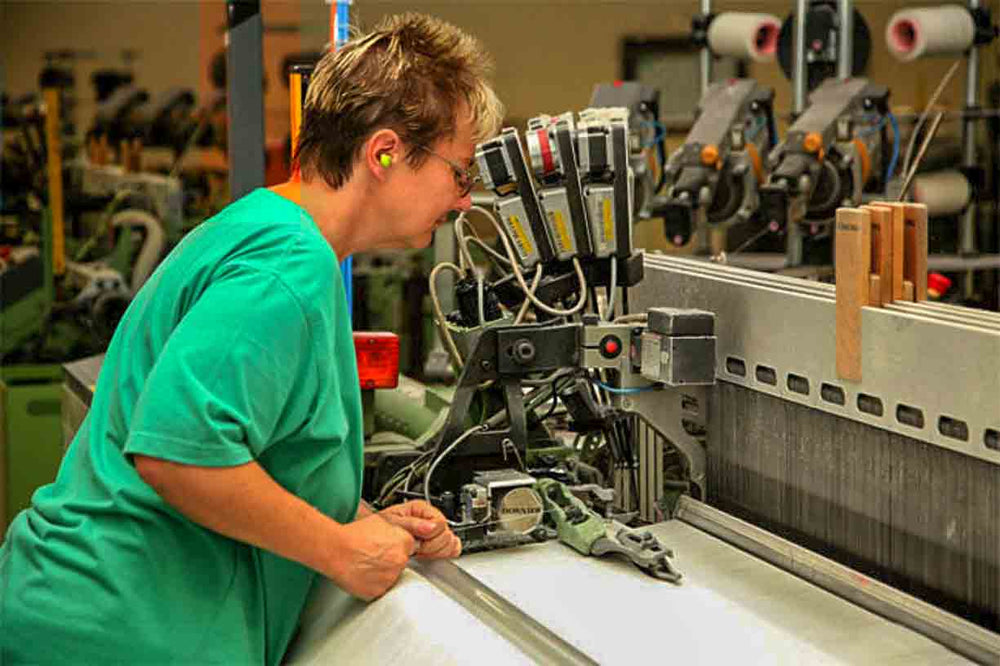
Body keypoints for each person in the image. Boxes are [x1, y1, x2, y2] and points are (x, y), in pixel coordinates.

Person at [0, 13, 503, 664]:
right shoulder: (287, 264)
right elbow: (178, 452)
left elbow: (259, 451)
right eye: (459, 174)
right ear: (383, 153)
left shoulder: (271, 229)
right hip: (113, 632)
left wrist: (358, 520)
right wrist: (340, 551)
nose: (465, 202)